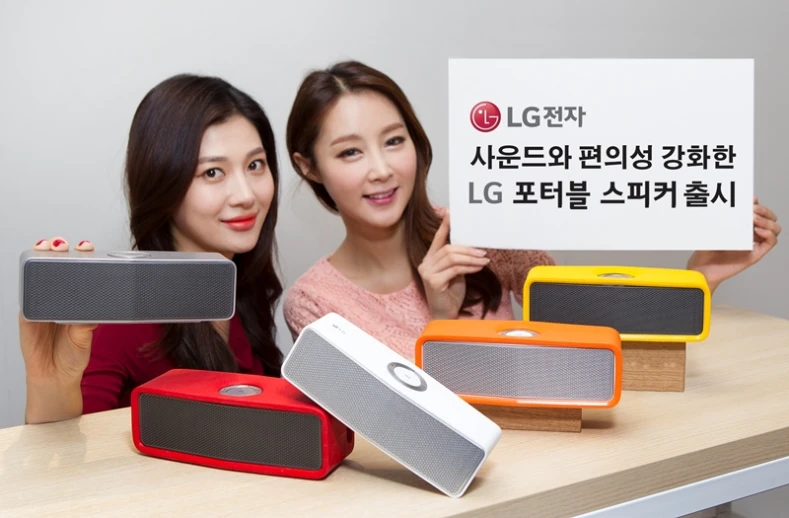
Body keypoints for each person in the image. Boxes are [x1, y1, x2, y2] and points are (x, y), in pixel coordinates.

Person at [282, 60, 782, 361]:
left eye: (394, 141)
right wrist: (440, 316)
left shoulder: (481, 230)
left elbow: (587, 335)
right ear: (310, 167)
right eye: (350, 152)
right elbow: (395, 434)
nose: (381, 169)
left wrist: (700, 279)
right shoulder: (314, 304)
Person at [19, 74, 284, 424]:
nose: (246, 195)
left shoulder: (240, 291)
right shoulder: (123, 317)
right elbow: (63, 458)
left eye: (255, 165)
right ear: (164, 183)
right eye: (212, 172)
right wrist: (48, 383)